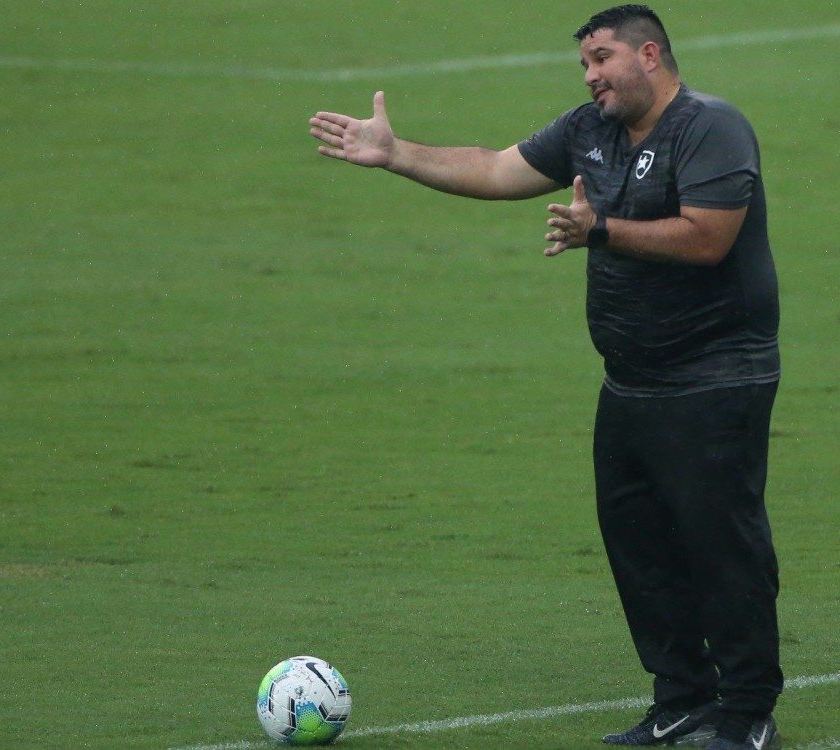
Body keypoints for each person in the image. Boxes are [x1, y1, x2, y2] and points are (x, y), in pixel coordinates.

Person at [308, 5, 783, 749]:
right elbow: (498, 169)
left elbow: (710, 237)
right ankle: (684, 698)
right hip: (629, 380)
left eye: (602, 58)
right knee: (640, 546)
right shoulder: (586, 131)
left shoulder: (710, 128)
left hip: (717, 376)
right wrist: (398, 153)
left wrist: (601, 230)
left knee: (720, 544)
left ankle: (749, 710)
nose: (591, 75)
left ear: (650, 55)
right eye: (584, 64)